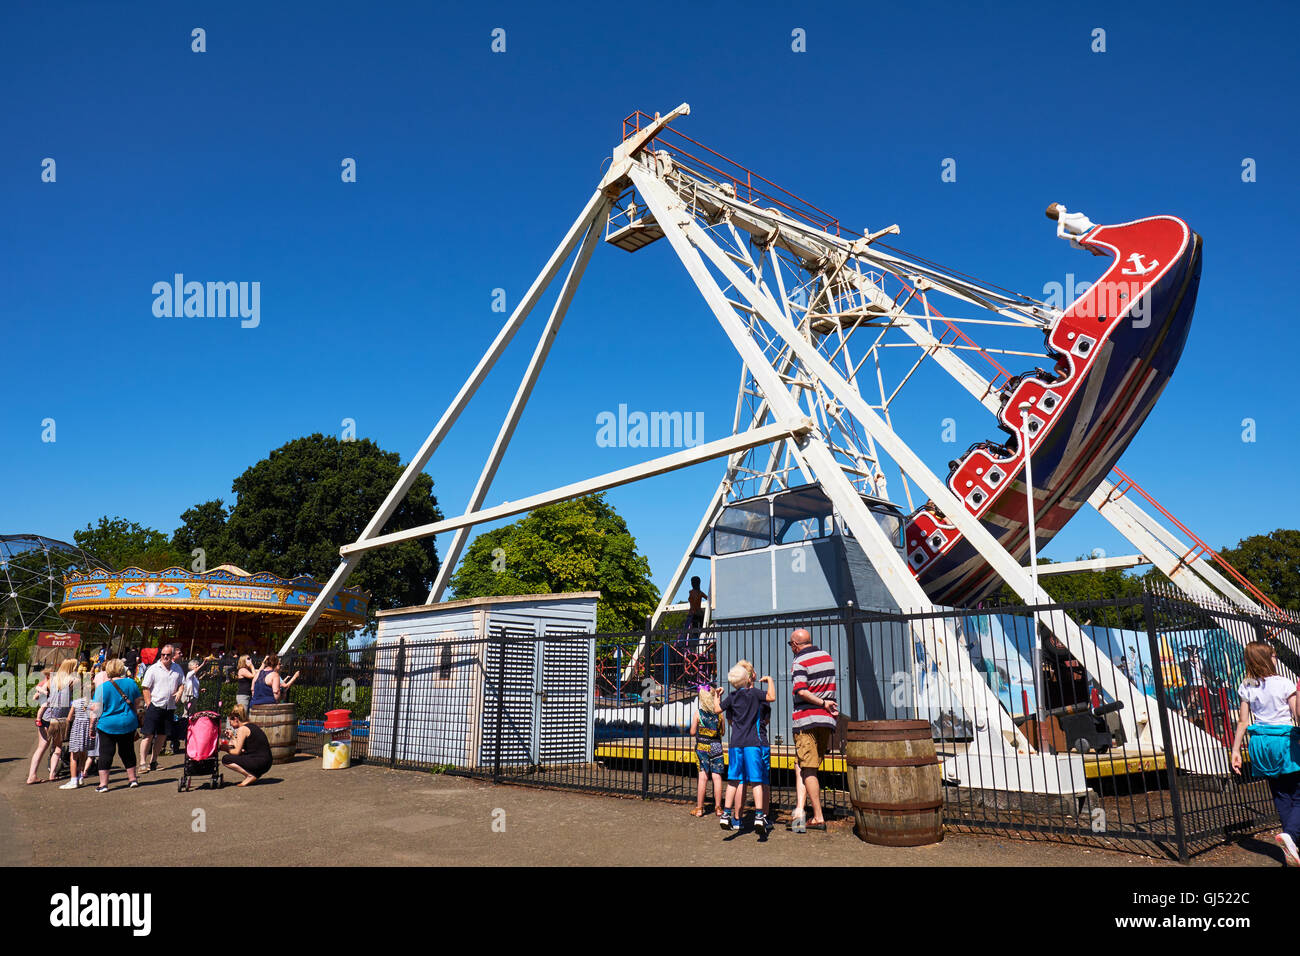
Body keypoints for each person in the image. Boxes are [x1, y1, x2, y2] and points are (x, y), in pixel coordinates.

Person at [1230, 641, 1300, 866]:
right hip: (1283, 741)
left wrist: (1235, 751)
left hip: (1259, 742)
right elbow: (1296, 714)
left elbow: (1243, 721)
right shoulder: (1283, 683)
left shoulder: (1247, 684)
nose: (1275, 659)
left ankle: (1291, 842)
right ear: (1265, 658)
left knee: (1280, 793)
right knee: (1298, 792)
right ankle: (1291, 835)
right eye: (1272, 655)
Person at [789, 627, 838, 833]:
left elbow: (801, 690)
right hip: (826, 721)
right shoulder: (827, 656)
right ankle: (800, 810)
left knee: (808, 768)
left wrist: (821, 702)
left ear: (795, 644)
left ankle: (818, 816)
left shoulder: (799, 661)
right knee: (803, 763)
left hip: (807, 719)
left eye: (791, 644)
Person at [718, 662, 772, 837]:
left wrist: (717, 696)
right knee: (757, 780)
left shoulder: (732, 697)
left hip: (735, 744)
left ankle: (727, 814)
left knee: (734, 780)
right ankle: (759, 815)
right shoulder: (755, 694)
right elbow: (771, 697)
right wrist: (770, 680)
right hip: (753, 743)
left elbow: (717, 709)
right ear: (750, 678)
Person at [89, 658, 143, 792]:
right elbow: (139, 704)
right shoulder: (131, 683)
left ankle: (103, 784)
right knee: (128, 751)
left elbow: (96, 709)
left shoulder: (102, 687)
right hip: (128, 722)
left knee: (106, 753)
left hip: (107, 724)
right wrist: (140, 718)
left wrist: (91, 727)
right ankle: (132, 779)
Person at [27, 659, 77, 784]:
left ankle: (32, 775)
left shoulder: (51, 679)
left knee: (41, 747)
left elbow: (37, 695)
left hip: (46, 717)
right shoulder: (72, 680)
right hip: (60, 719)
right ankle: (52, 774)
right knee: (57, 747)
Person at [139, 644, 185, 772]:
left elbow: (182, 683)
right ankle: (142, 762)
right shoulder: (153, 669)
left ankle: (154, 761)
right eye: (163, 654)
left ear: (172, 656)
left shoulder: (177, 669)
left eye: (168, 655)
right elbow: (145, 687)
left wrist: (180, 691)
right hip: (155, 705)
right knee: (148, 734)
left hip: (169, 707)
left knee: (162, 735)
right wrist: (149, 703)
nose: (165, 657)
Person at [689, 685, 726, 818]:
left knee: (703, 777)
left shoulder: (698, 713)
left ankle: (699, 808)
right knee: (717, 777)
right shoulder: (719, 713)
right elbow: (723, 731)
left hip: (702, 747)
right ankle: (718, 808)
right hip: (716, 745)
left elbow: (692, 732)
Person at [219, 704, 273, 786]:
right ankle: (254, 773)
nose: (231, 726)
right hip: (266, 761)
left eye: (230, 722)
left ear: (236, 719)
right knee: (239, 755)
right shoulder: (251, 726)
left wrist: (225, 748)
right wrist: (232, 737)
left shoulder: (242, 729)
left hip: (260, 762)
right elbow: (241, 748)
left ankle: (250, 775)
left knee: (226, 759)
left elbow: (237, 752)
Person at [62, 673, 98, 789]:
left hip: (77, 729)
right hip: (88, 730)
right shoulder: (94, 703)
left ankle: (73, 780)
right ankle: (81, 776)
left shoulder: (76, 702)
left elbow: (69, 717)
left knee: (73, 756)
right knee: (84, 753)